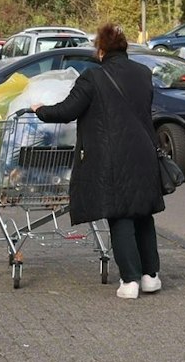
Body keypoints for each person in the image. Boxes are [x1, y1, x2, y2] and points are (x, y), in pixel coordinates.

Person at [30, 24, 167, 299]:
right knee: (142, 213)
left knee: (120, 216)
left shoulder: (93, 77)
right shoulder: (143, 74)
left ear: (101, 51)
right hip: (144, 153)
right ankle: (150, 276)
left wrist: (40, 110)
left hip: (112, 157)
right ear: (125, 48)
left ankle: (130, 281)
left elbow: (67, 111)